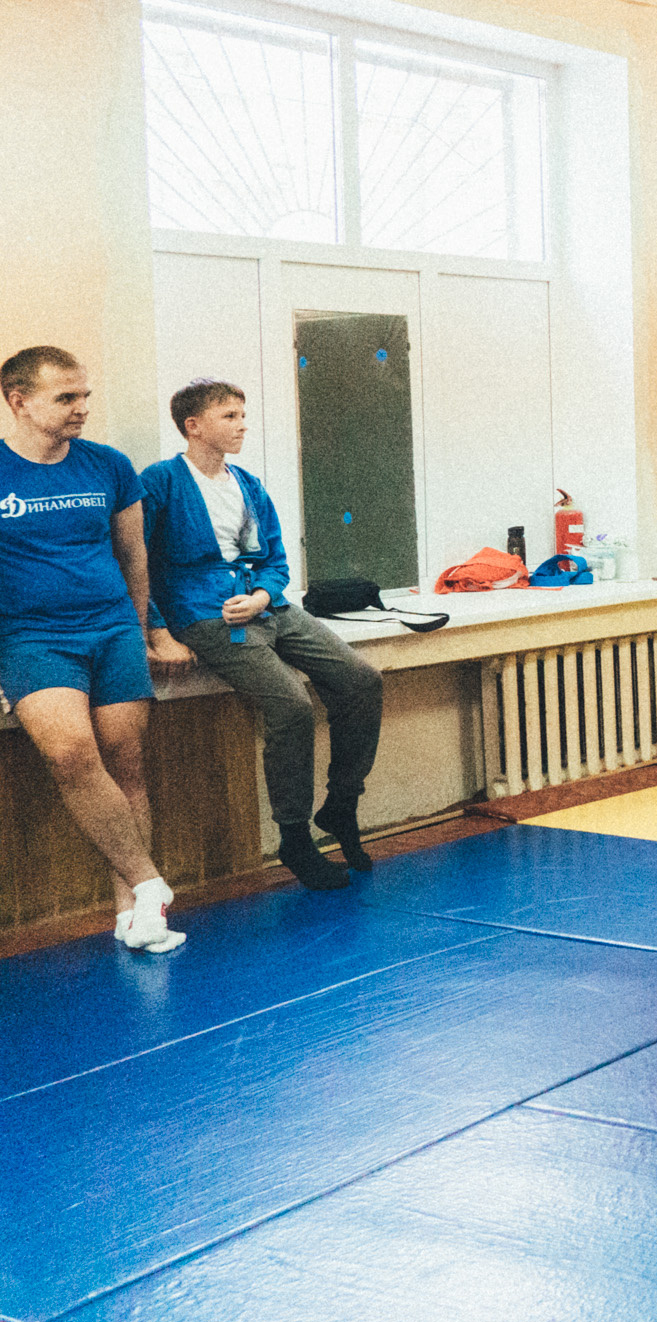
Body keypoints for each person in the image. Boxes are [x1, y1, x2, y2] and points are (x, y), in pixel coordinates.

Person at [143, 380, 383, 891]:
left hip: (265, 606)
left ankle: (341, 804)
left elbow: (275, 559)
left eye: (242, 414)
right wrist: (158, 629)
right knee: (291, 706)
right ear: (193, 426)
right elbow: (135, 562)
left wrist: (262, 596)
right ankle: (294, 836)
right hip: (207, 615)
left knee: (361, 681)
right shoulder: (161, 481)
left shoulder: (248, 484)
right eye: (229, 416)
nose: (242, 425)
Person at [0, 346, 189, 952]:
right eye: (66, 397)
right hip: (32, 637)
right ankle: (149, 882)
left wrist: (141, 630)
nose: (82, 407)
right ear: (18, 400)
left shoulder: (108, 465)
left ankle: (134, 915)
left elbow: (133, 556)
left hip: (111, 630)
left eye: (84, 395)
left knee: (126, 764)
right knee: (71, 755)